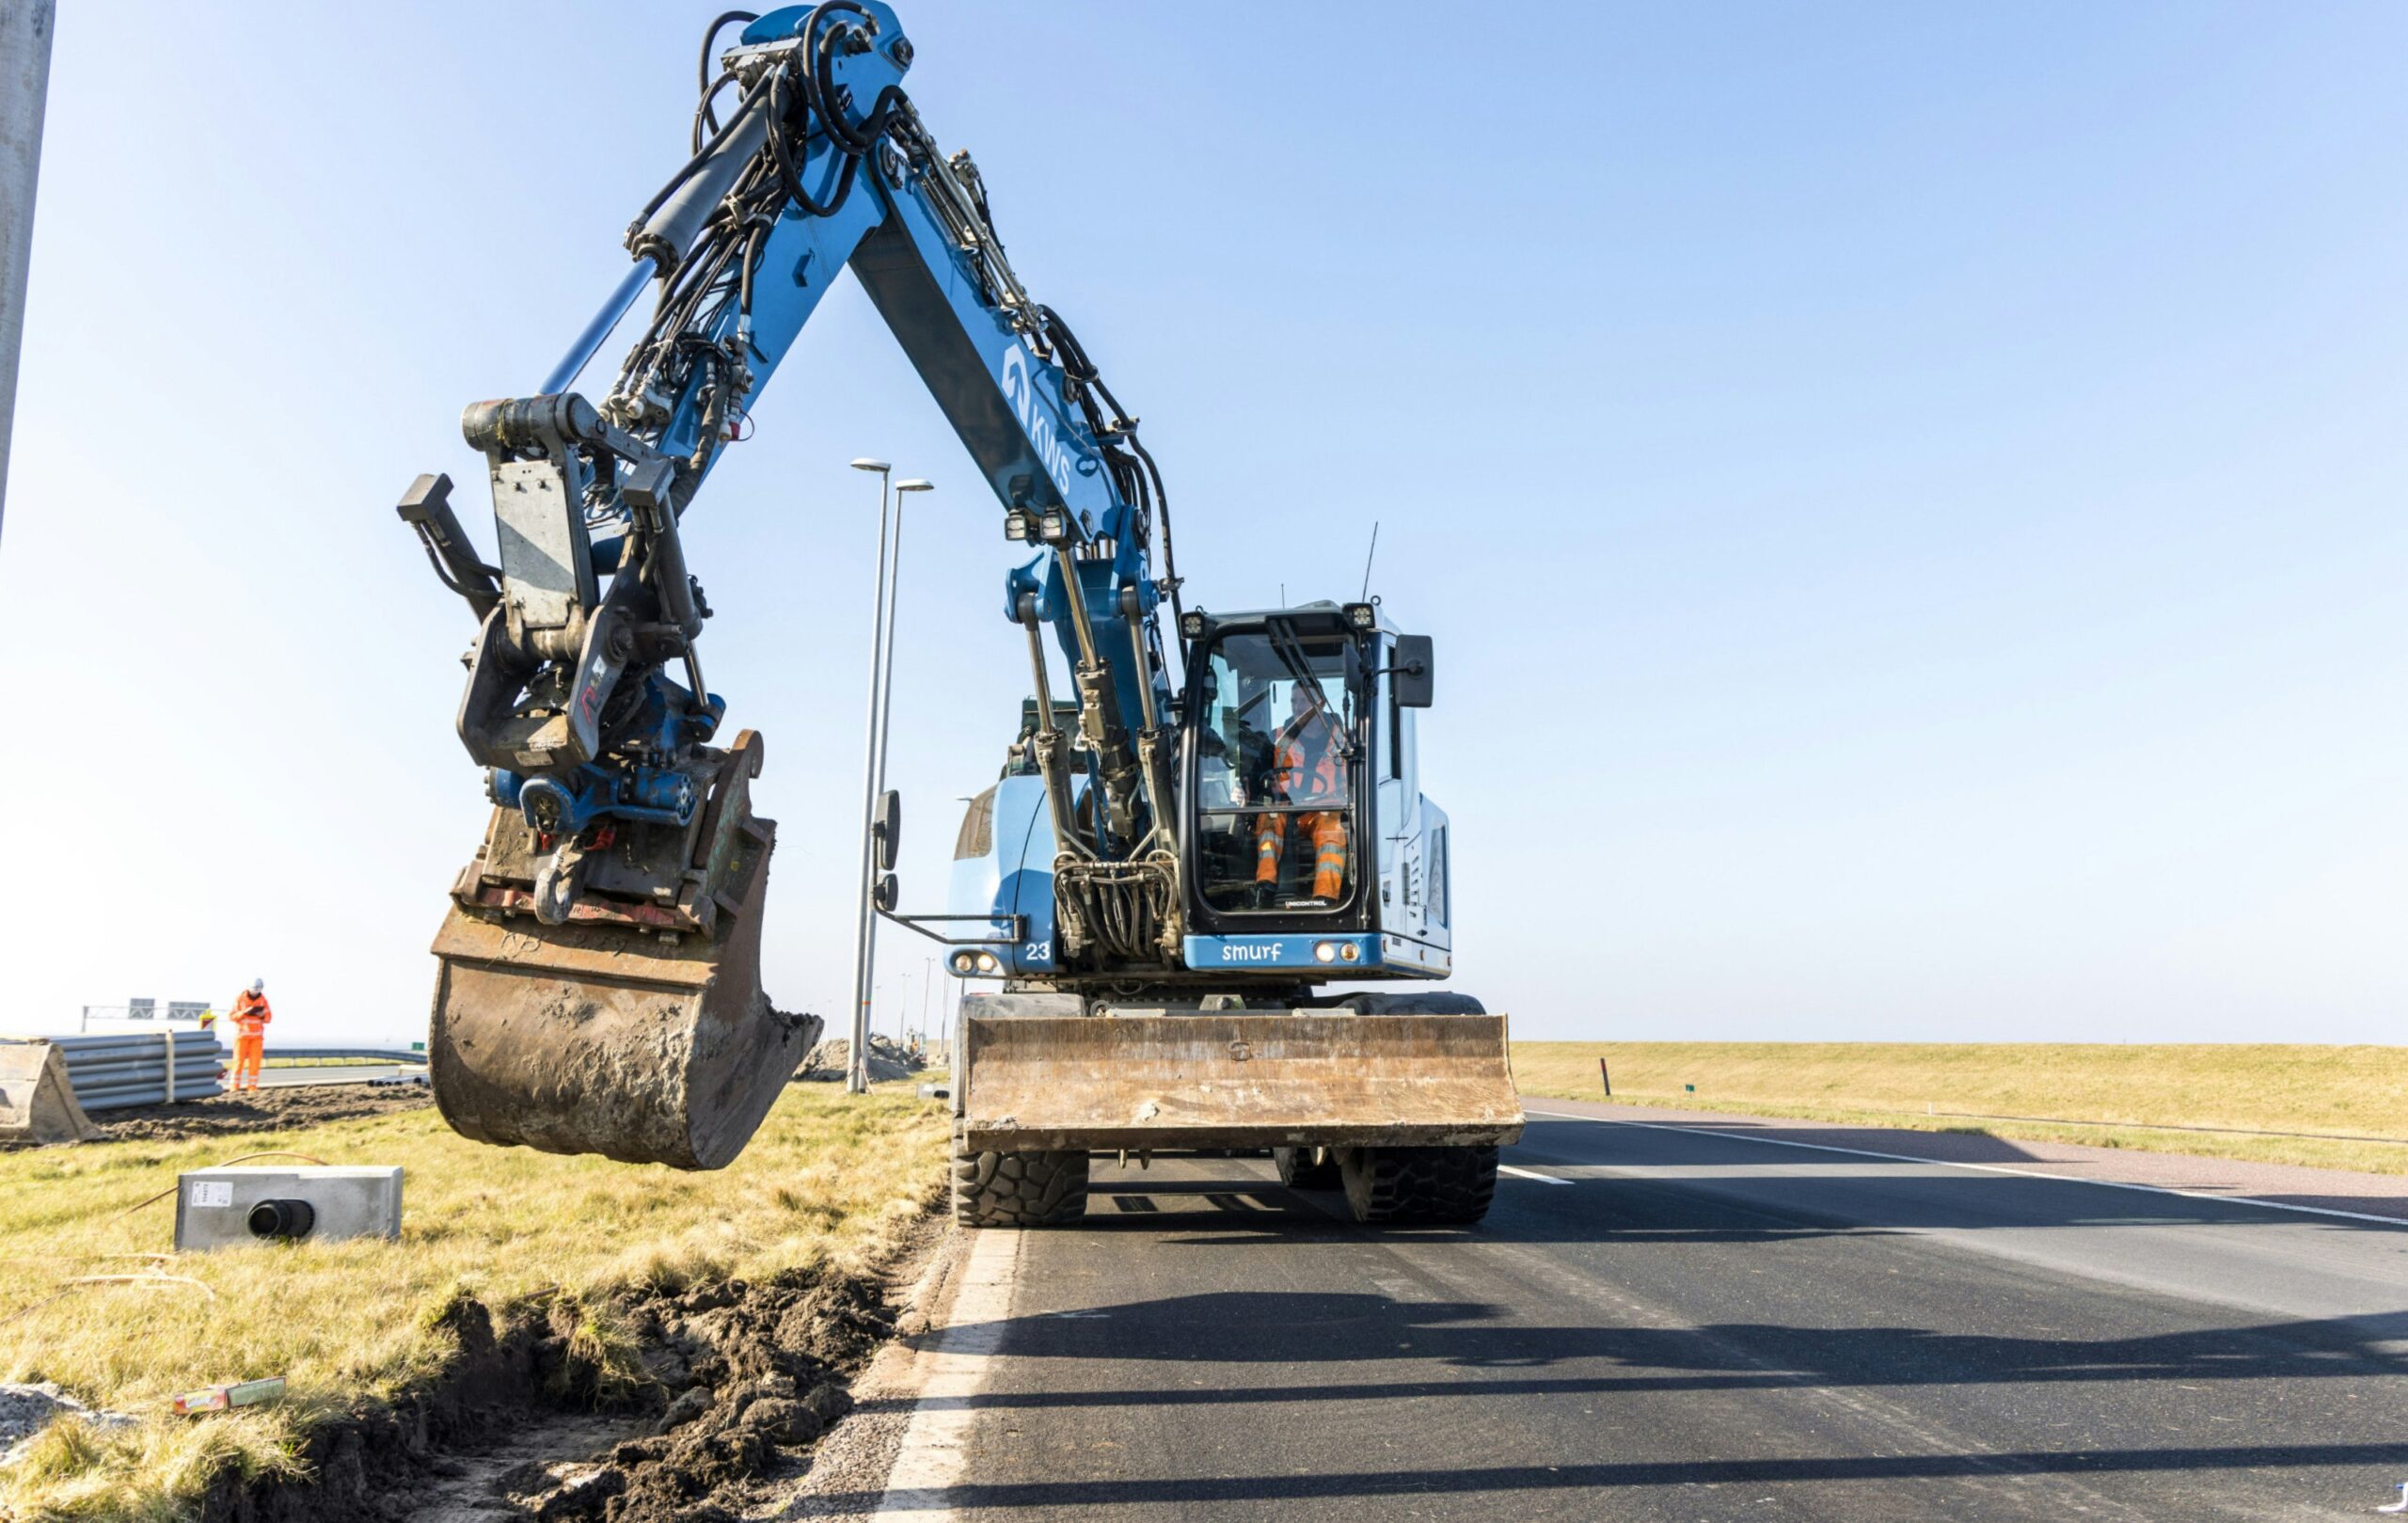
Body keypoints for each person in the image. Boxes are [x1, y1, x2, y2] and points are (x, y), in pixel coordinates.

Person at [1255, 684, 1349, 905]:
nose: (1297, 707)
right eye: (1293, 702)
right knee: (1268, 820)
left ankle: (1325, 897)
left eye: (1303, 702)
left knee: (1332, 833)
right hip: (1286, 808)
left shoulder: (1345, 741)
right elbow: (1255, 776)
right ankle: (1265, 888)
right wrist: (1270, 786)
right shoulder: (1276, 739)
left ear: (1321, 704)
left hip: (1326, 811)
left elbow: (1356, 780)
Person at [229, 979, 272, 1093]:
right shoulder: (240, 999)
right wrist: (244, 1012)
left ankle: (252, 1087)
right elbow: (231, 1016)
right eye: (254, 989)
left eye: (258, 989)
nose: (255, 991)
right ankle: (234, 1087)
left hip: (257, 1037)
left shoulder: (263, 1000)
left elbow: (268, 1018)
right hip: (242, 1036)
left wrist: (262, 1015)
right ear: (249, 987)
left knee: (255, 1063)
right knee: (238, 1062)